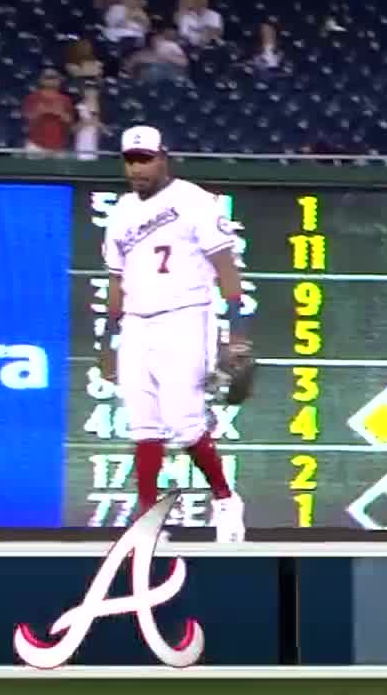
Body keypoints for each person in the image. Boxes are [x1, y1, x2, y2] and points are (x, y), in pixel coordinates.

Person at [97, 126, 248, 542]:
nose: (137, 167)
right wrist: (107, 340)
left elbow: (226, 267)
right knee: (143, 424)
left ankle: (224, 499)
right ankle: (148, 519)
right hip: (136, 322)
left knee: (183, 420)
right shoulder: (121, 210)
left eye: (145, 158)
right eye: (131, 159)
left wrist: (239, 331)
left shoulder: (193, 200)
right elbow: (115, 279)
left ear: (164, 157)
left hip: (185, 315)